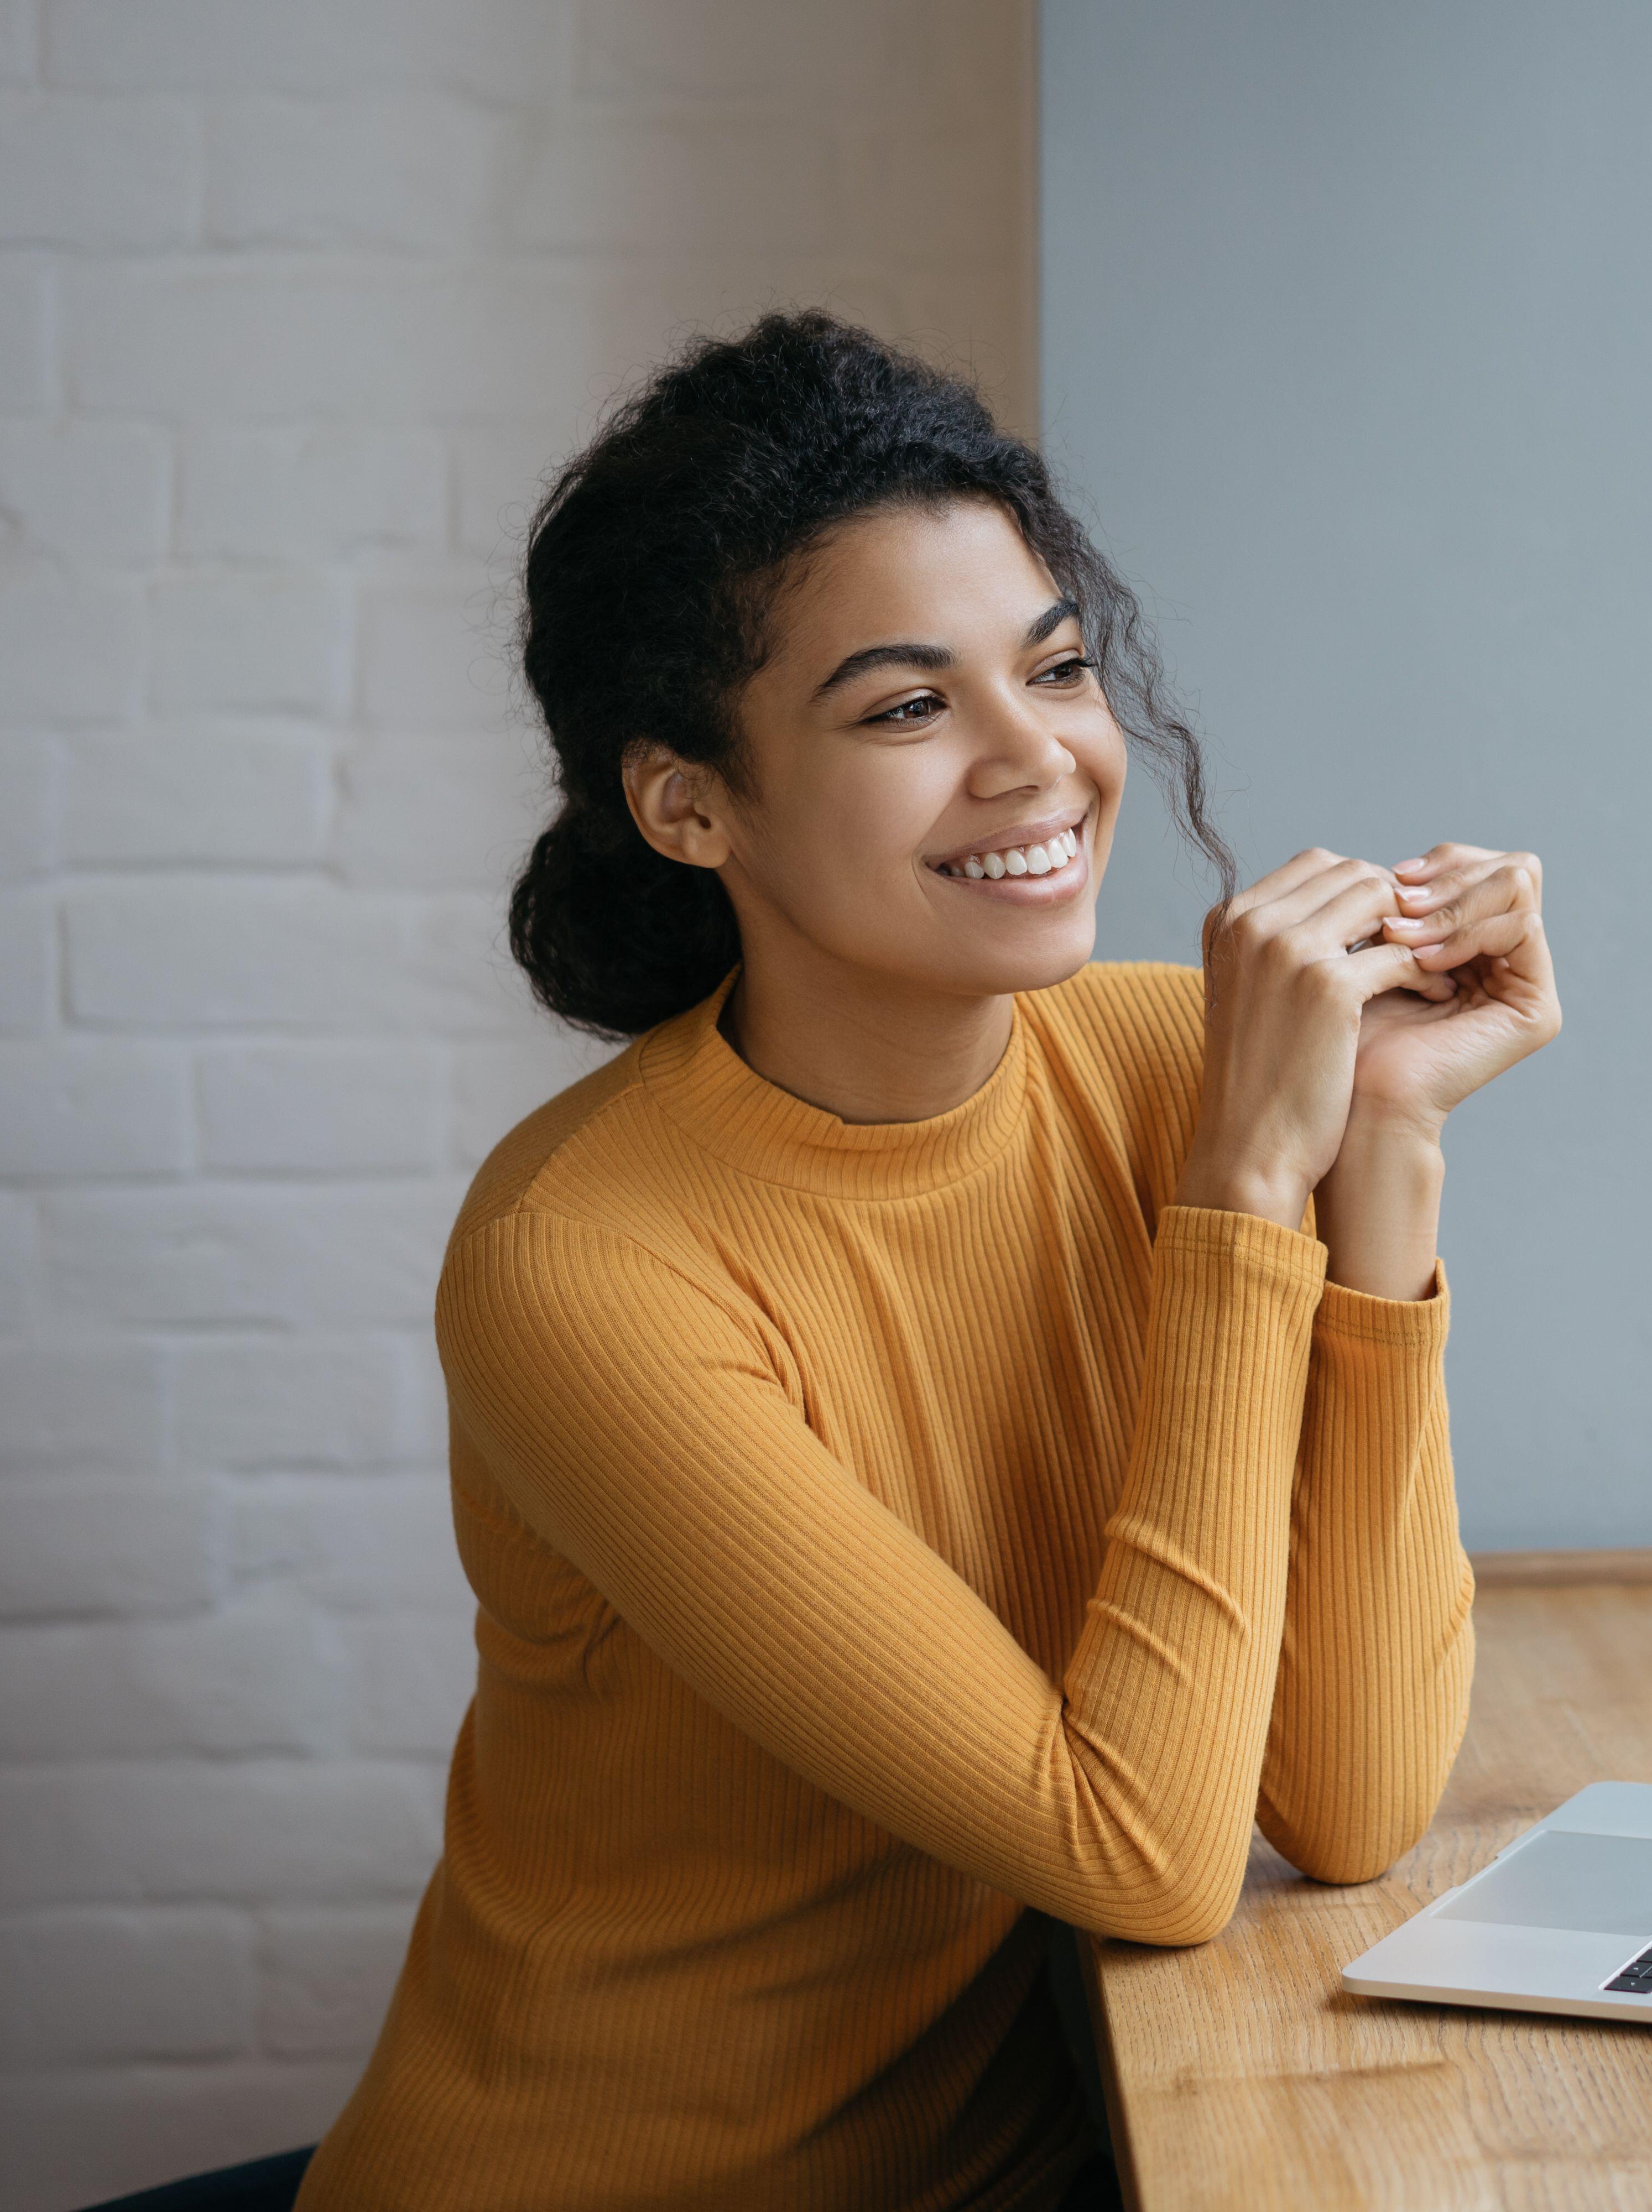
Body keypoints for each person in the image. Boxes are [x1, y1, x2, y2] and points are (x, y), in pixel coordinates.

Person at [284, 312, 1560, 2210]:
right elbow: (1141, 1854)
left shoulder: (1164, 1075)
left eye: (1055, 666)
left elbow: (1353, 1804)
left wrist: (1378, 1150)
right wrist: (1239, 1199)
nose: (1035, 760)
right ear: (687, 802)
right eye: (906, 708)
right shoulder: (585, 1267)